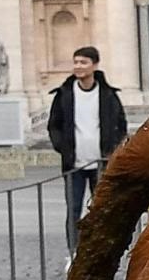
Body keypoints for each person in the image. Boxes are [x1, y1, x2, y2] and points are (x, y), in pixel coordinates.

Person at [45, 45, 129, 218]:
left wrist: (113, 149)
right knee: (74, 209)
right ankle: (74, 245)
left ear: (95, 65)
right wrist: (63, 147)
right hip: (73, 164)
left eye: (83, 62)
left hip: (102, 162)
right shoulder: (63, 95)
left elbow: (121, 124)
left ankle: (101, 245)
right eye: (75, 62)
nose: (78, 66)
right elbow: (54, 125)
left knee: (102, 210)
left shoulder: (109, 95)